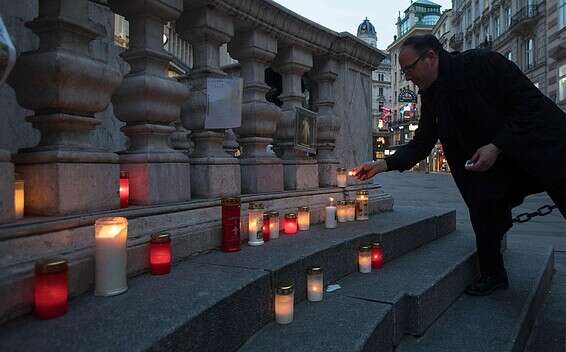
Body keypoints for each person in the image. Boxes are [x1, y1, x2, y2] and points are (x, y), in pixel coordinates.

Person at [353, 34, 566, 296]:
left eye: (410, 68)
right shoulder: (431, 96)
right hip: (493, 165)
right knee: (483, 207)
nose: (407, 76)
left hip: (545, 148)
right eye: (404, 70)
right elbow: (422, 143)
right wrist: (382, 164)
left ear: (431, 56)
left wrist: (496, 145)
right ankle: (493, 275)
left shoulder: (483, 63)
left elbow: (531, 106)